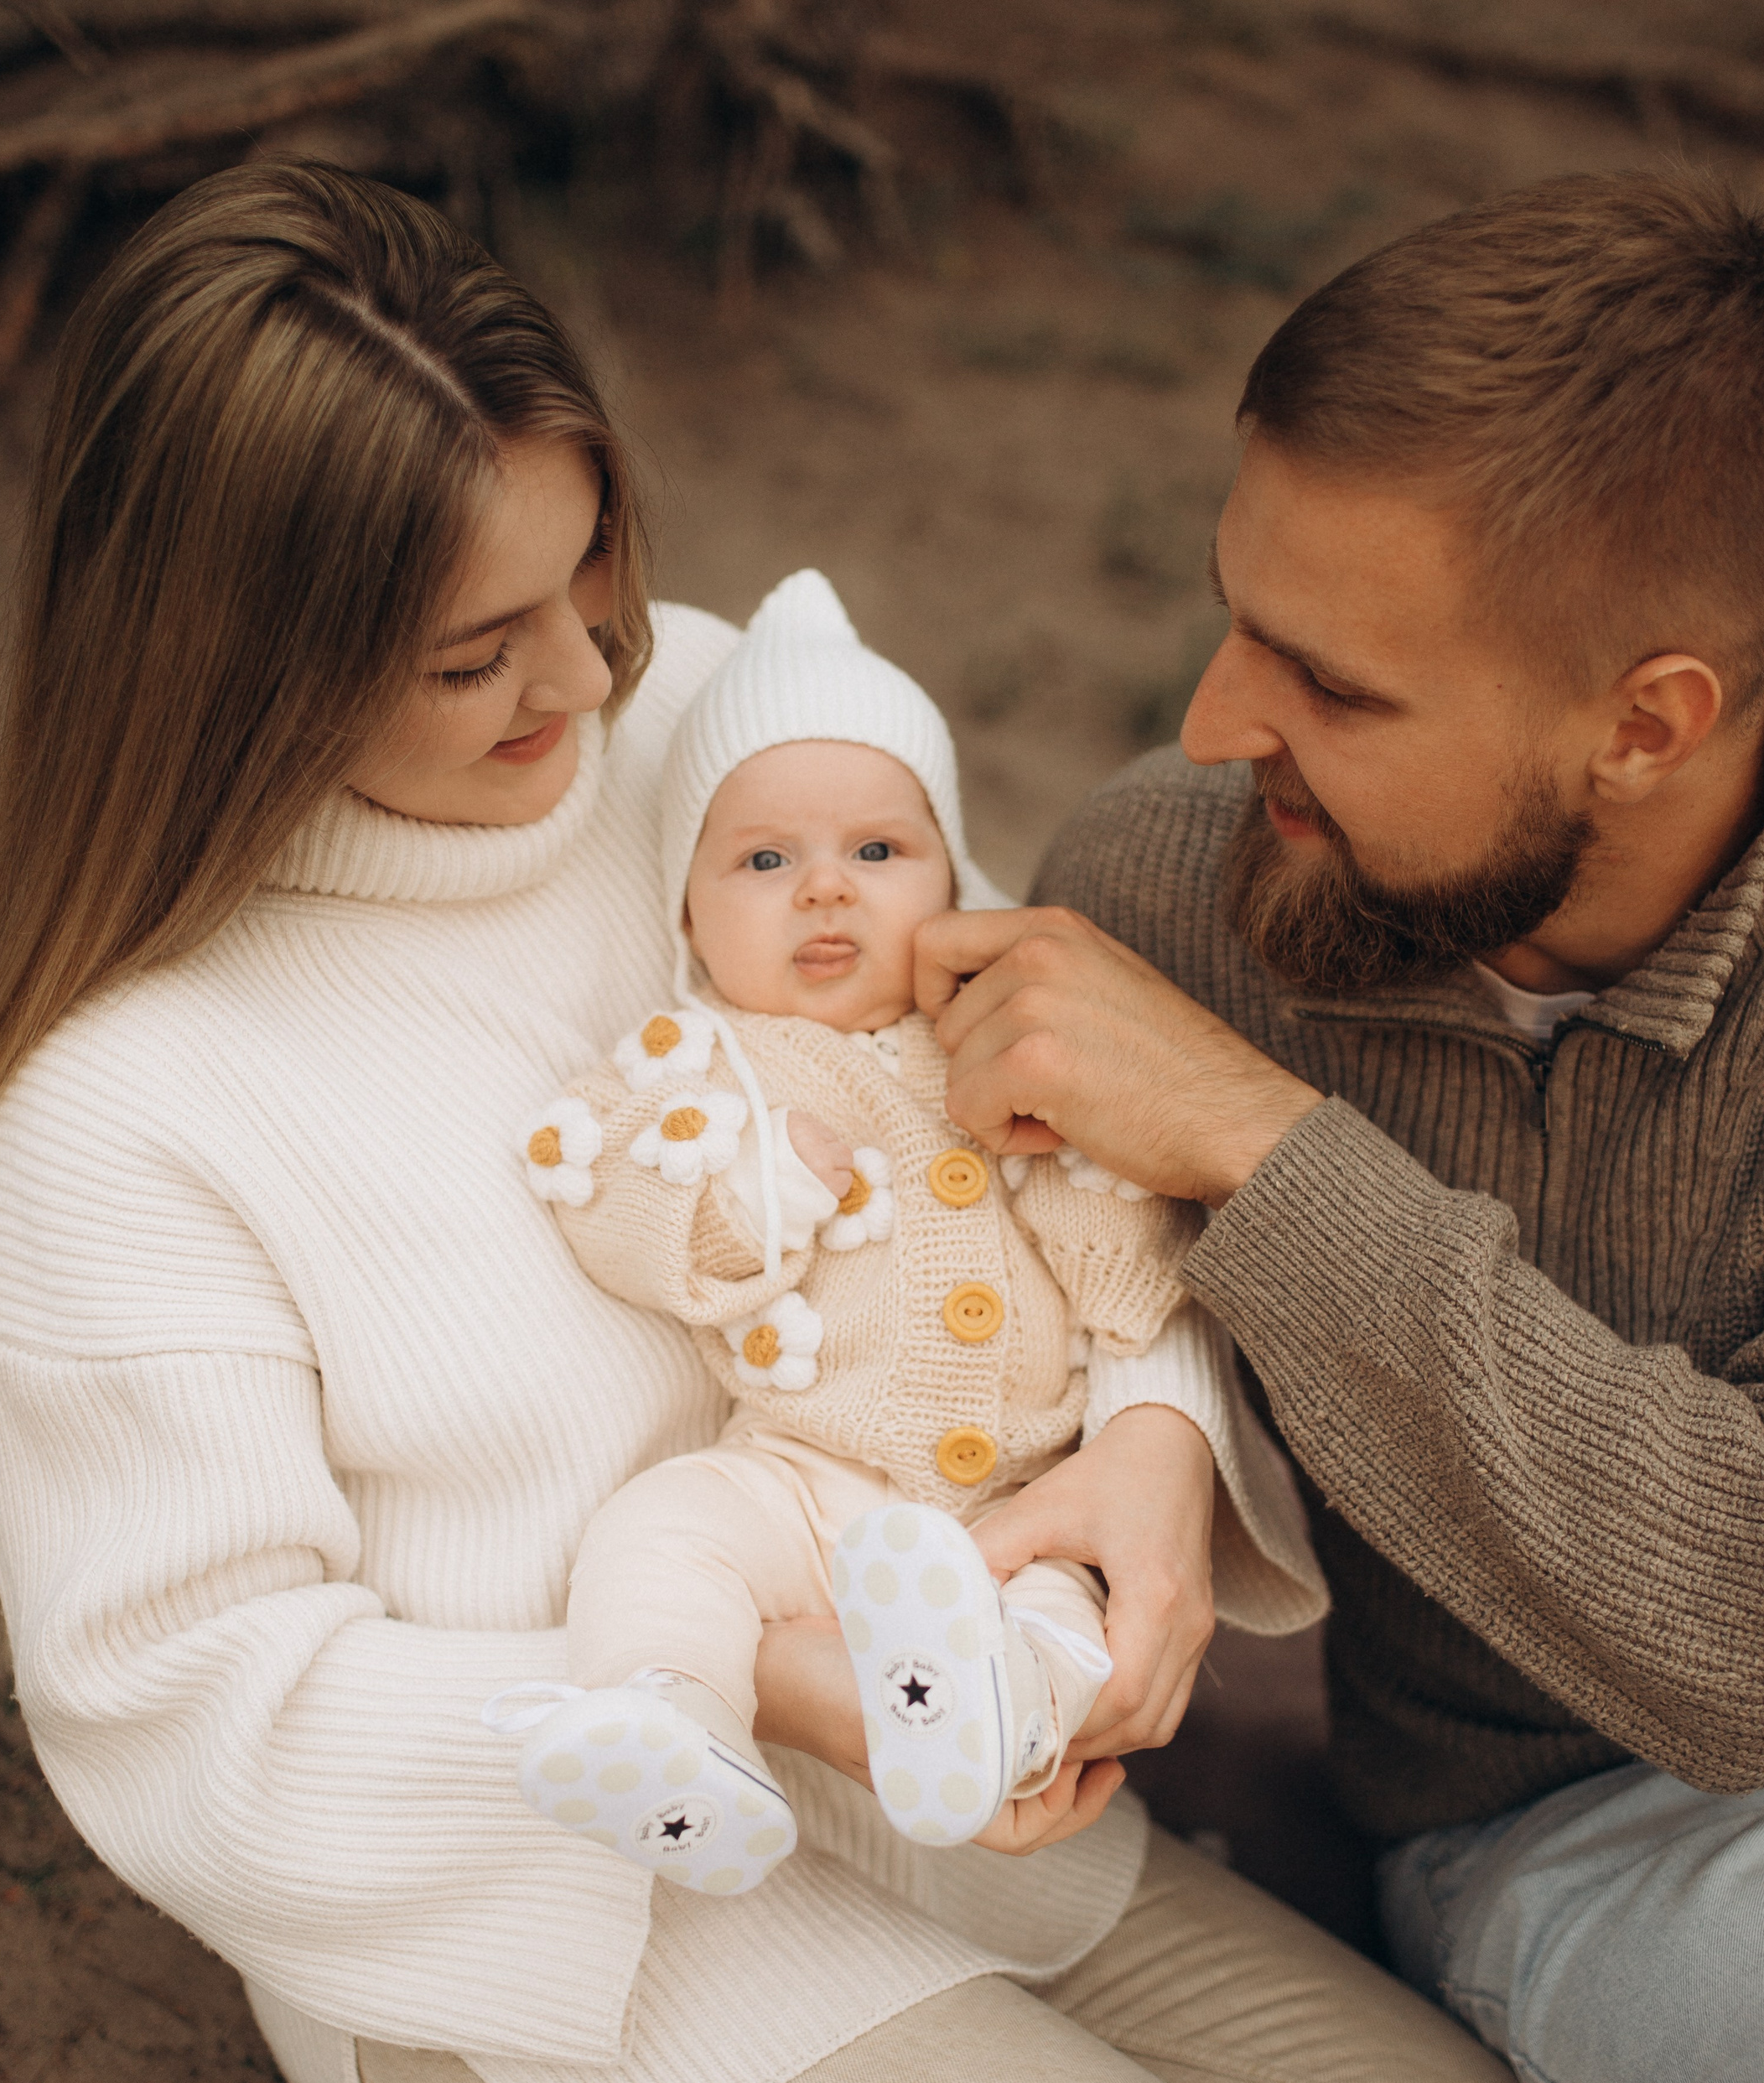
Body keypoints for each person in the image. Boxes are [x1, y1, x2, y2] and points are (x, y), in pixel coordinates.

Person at [0, 158, 1554, 2083]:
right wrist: (769, 1682)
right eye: (473, 654)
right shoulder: (118, 1117)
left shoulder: (709, 720)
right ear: (234, 659)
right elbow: (195, 1714)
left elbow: (1036, 1123)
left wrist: (1149, 1434)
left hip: (944, 1781)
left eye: (586, 577)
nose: (587, 680)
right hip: (553, 1929)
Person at [915, 170, 1764, 2083]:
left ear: (1640, 723)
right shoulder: (1159, 887)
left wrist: (1257, 1137)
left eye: (1334, 683)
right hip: (1578, 1823)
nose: (1215, 722)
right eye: (1240, 616)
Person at [503, 567, 1324, 1888]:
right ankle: (669, 1725)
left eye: (877, 853)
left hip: (1014, 1500)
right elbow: (611, 1198)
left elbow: (1120, 1219)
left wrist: (1118, 1295)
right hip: (800, 1473)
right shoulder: (697, 1066)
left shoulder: (999, 1050)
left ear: (951, 872)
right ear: (690, 915)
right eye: (766, 861)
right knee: (663, 1537)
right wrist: (754, 1192)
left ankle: (993, 1713)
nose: (826, 891)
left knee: (1064, 1617)